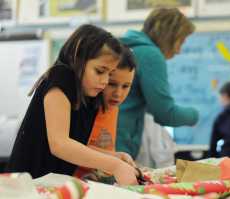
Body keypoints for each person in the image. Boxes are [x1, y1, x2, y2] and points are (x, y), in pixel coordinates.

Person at [6, 24, 138, 185]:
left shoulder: (89, 93)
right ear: (78, 59)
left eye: (109, 74)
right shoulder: (61, 77)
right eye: (99, 71)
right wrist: (115, 165)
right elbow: (60, 144)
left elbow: (75, 145)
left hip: (52, 186)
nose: (104, 81)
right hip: (27, 184)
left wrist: (113, 156)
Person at [117, 8, 199, 159]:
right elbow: (166, 114)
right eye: (181, 41)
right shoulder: (150, 55)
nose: (179, 50)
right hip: (120, 143)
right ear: (169, 36)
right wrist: (195, 115)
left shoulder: (129, 47)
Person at [74, 46, 137, 182]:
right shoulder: (84, 107)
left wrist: (117, 156)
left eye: (126, 86)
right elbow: (73, 147)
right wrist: (113, 160)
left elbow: (101, 150)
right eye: (112, 84)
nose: (118, 94)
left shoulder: (113, 107)